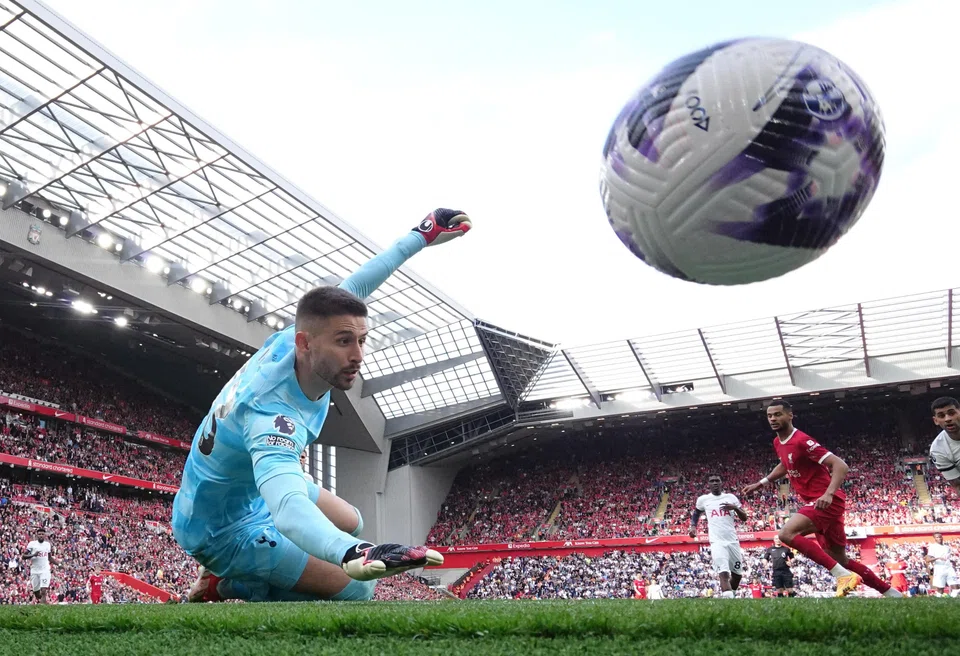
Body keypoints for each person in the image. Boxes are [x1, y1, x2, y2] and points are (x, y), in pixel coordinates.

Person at [172, 209, 472, 603]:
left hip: (238, 492)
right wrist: (353, 553)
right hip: (221, 529)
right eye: (345, 342)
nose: (359, 355)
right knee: (360, 587)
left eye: (362, 340)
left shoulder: (292, 342)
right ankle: (233, 582)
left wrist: (422, 234)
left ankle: (241, 576)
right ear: (306, 344)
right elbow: (288, 505)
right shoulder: (272, 418)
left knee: (352, 519)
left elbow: (356, 287)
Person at [742, 400, 902, 598]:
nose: (773, 419)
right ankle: (891, 593)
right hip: (819, 502)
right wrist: (762, 482)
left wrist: (828, 493)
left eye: (778, 414)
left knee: (786, 534)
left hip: (827, 501)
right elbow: (785, 464)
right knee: (840, 558)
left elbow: (840, 465)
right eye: (769, 416)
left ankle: (841, 576)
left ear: (790, 415)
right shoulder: (778, 442)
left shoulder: (801, 440)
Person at [689, 474, 747, 599]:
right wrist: (693, 526)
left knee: (737, 575)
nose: (715, 483)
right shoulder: (703, 499)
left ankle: (728, 596)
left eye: (717, 480)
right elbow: (696, 513)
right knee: (723, 572)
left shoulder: (731, 497)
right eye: (712, 481)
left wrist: (735, 508)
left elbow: (744, 518)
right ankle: (728, 599)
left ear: (721, 483)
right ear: (708, 484)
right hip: (717, 541)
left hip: (732, 541)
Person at [929, 397, 960, 493]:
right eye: (941, 416)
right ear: (936, 420)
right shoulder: (938, 450)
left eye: (951, 413)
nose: (948, 419)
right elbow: (957, 485)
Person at [23, 527, 54, 604]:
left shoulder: (47, 545)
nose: (41, 535)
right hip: (35, 570)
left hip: (45, 570)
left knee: (43, 590)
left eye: (42, 534)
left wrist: (59, 564)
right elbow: (23, 556)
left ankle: (42, 606)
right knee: (37, 593)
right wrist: (33, 554)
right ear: (37, 535)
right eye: (39, 534)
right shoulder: (32, 544)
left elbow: (50, 558)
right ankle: (44, 602)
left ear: (45, 535)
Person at [924, 533, 959, 597]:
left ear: (942, 537)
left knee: (956, 587)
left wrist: (952, 561)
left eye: (940, 537)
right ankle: (937, 601)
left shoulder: (947, 547)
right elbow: (927, 560)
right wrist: (938, 558)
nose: (939, 538)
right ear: (934, 538)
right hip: (939, 568)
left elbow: (947, 557)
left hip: (949, 567)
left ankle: (952, 601)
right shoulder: (932, 547)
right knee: (940, 590)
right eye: (937, 537)